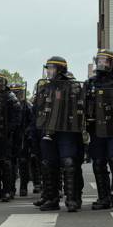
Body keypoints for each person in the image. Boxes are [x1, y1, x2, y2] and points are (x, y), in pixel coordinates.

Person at [34, 56, 86, 212]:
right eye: (48, 68)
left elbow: (80, 109)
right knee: (48, 164)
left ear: (60, 69)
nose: (49, 72)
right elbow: (38, 110)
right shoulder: (45, 87)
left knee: (69, 163)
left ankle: (72, 199)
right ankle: (52, 198)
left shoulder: (73, 86)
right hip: (49, 131)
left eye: (51, 68)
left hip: (67, 131)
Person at [85, 49, 113, 212]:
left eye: (106, 61)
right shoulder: (90, 82)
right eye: (100, 60)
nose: (102, 64)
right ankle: (103, 198)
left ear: (112, 64)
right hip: (96, 128)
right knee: (98, 163)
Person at [0, 72, 22, 202]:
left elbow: (17, 114)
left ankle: (7, 190)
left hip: (6, 135)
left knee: (6, 163)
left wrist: (10, 129)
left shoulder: (9, 95)